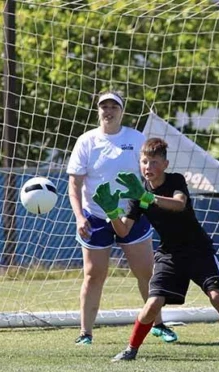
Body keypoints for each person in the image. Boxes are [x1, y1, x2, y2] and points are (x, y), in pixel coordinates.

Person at [91, 137, 219, 363]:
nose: (148, 167)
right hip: (170, 254)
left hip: (198, 250)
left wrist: (147, 197)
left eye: (153, 162)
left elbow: (179, 204)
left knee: (216, 296)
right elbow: (123, 231)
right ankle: (130, 350)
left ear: (165, 164)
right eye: (144, 162)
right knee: (152, 304)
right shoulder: (137, 194)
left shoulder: (175, 181)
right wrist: (111, 212)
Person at [66, 91, 177, 345]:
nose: (108, 111)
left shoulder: (136, 139)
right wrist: (79, 217)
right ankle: (85, 333)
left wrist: (151, 203)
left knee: (146, 272)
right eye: (103, 106)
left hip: (132, 215)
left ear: (122, 111)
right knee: (94, 275)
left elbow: (150, 173)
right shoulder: (86, 142)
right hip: (96, 217)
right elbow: (74, 185)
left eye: (113, 106)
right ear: (98, 111)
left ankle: (159, 325)